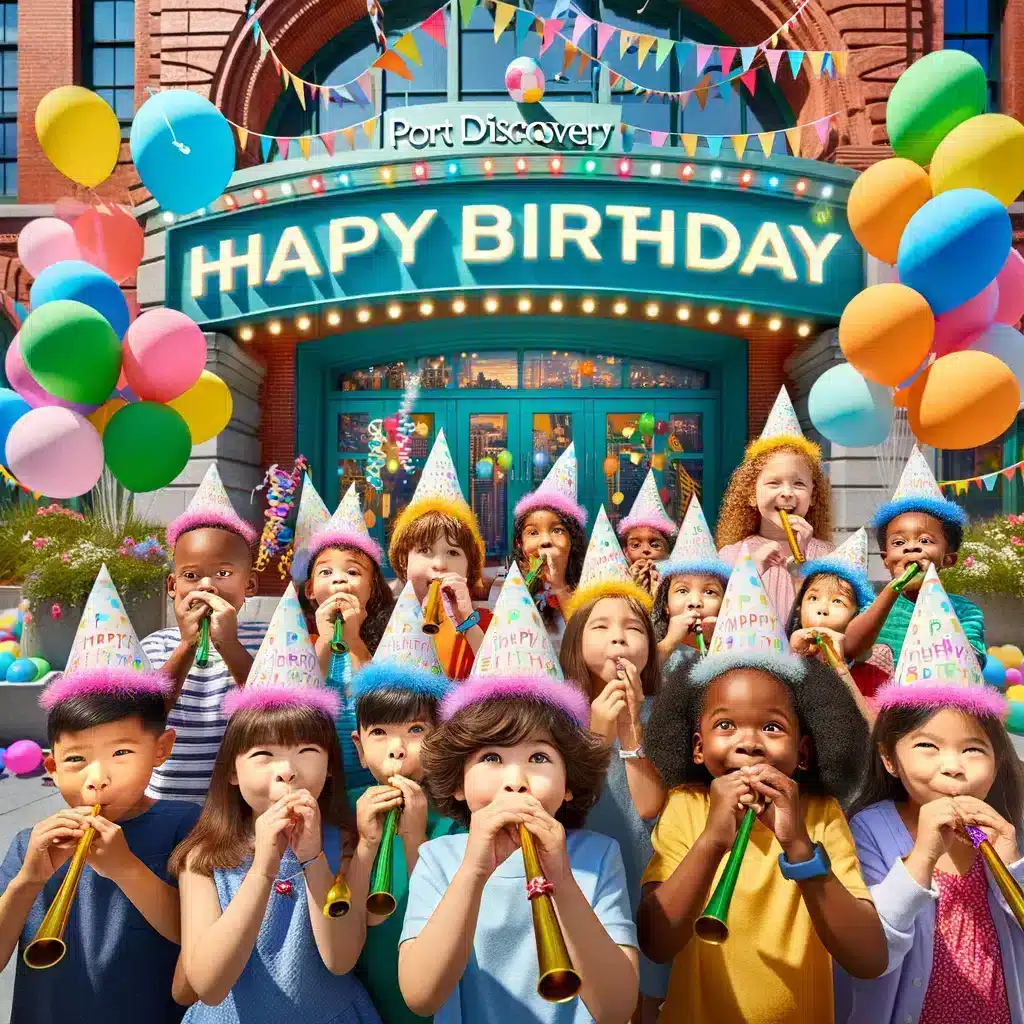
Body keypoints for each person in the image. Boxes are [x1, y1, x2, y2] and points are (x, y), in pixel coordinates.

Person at [638, 553, 887, 1024]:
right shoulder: (688, 807)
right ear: (696, 746)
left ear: (806, 751)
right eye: (726, 725)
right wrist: (713, 838)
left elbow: (869, 959)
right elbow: (656, 940)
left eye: (772, 728)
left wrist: (797, 846)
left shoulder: (819, 814)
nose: (749, 742)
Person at [398, 567, 639, 1024]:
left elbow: (617, 1007)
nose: (516, 780)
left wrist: (562, 880)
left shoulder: (597, 857)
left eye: (540, 758)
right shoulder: (440, 859)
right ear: (456, 781)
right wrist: (473, 870)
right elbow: (420, 995)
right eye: (490, 758)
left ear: (569, 784)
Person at [169, 584, 382, 1024]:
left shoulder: (343, 842)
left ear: (330, 763)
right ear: (231, 770)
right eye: (263, 754)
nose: (286, 770)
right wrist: (263, 867)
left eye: (307, 750)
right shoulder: (203, 858)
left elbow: (340, 958)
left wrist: (312, 860)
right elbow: (208, 985)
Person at [0, 566, 200, 1024]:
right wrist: (27, 881)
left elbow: (194, 937)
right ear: (50, 768)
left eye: (121, 752)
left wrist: (125, 869)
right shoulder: (31, 844)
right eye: (75, 760)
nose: (96, 778)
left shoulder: (186, 826)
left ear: (161, 750)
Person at [835, 566, 1024, 1024]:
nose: (953, 765)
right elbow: (873, 946)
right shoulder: (872, 828)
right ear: (889, 758)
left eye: (973, 749)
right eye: (927, 746)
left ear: (997, 759)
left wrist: (1011, 865)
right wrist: (922, 855)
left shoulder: (999, 829)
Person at [558, 510, 669, 1023]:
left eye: (633, 628)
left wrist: (630, 730)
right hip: (582, 867)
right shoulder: (557, 716)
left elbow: (649, 806)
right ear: (576, 642)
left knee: (648, 986)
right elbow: (569, 803)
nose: (619, 639)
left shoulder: (663, 713)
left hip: (643, 863)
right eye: (600, 627)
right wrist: (597, 734)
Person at [349, 609, 461, 1024]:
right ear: (358, 747)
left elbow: (448, 921)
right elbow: (343, 918)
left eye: (416, 730)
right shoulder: (346, 812)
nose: (397, 748)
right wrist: (365, 845)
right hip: (362, 1000)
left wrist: (415, 843)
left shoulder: (455, 818)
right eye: (380, 732)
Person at [145, 464, 267, 804]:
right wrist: (187, 644)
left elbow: (274, 709)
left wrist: (229, 645)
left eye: (224, 572)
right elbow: (148, 713)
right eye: (191, 575)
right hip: (165, 801)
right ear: (172, 586)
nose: (208, 584)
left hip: (238, 806)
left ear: (250, 584)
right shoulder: (157, 645)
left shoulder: (267, 641)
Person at [294, 484, 397, 791]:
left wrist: (354, 642)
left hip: (373, 780)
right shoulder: (302, 640)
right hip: (317, 784)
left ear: (373, 588)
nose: (339, 578)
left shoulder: (388, 640)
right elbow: (300, 699)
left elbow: (384, 706)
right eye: (326, 572)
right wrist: (325, 641)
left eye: (353, 572)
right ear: (310, 590)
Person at [844, 446, 985, 667]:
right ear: (886, 559)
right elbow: (851, 648)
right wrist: (893, 588)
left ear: (948, 559)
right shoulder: (871, 606)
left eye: (925, 541)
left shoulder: (966, 612)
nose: (912, 548)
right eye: (899, 543)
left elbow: (969, 664)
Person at [716, 387, 834, 623]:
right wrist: (752, 570)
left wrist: (802, 565)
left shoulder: (827, 556)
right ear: (751, 493)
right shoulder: (731, 555)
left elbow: (828, 617)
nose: (787, 493)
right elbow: (724, 617)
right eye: (773, 483)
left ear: (813, 496)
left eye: (799, 484)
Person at [387, 430, 491, 679]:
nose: (440, 564)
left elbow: (499, 677)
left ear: (470, 567)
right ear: (404, 560)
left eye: (453, 552)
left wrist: (468, 622)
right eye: (424, 550)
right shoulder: (383, 620)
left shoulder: (487, 623)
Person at [785, 528, 889, 713]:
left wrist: (839, 667)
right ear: (799, 606)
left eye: (837, 601)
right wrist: (795, 658)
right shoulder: (781, 657)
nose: (822, 609)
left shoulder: (875, 676)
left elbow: (871, 731)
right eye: (813, 598)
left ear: (856, 615)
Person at [511, 441, 587, 639]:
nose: (545, 541)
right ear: (520, 544)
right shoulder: (507, 589)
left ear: (573, 542)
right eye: (533, 533)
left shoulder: (590, 592)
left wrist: (559, 586)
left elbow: (586, 644)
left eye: (557, 530)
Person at [650, 496, 731, 666]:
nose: (695, 602)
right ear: (665, 605)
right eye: (682, 590)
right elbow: (643, 679)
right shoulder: (653, 650)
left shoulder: (735, 648)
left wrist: (720, 644)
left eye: (709, 592)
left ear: (725, 603)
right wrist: (670, 642)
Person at [616, 470, 677, 599]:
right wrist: (632, 591)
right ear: (625, 553)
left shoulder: (678, 588)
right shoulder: (615, 586)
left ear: (669, 552)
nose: (645, 550)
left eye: (655, 545)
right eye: (636, 545)